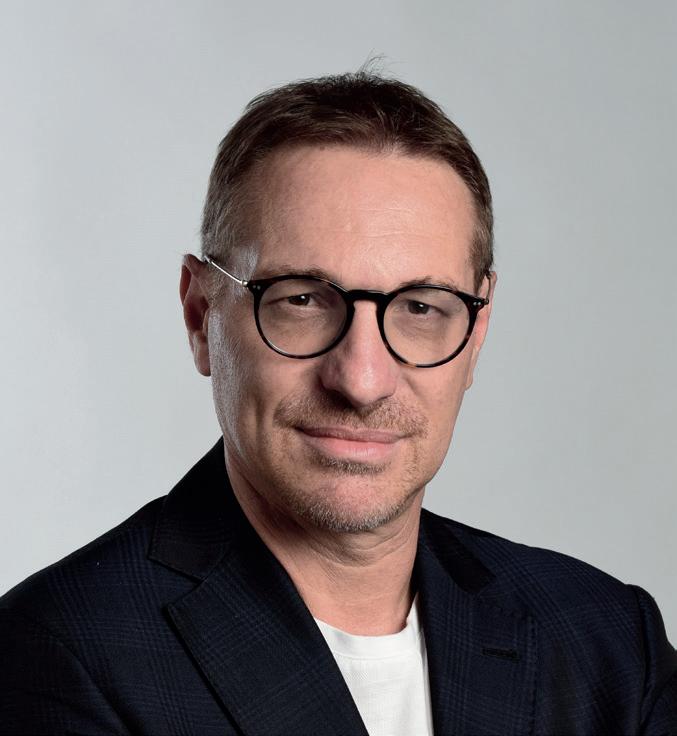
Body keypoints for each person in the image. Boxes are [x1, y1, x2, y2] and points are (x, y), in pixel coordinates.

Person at [1, 71, 675, 736]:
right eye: (301, 300)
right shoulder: (55, 656)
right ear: (201, 314)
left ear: (476, 335)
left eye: (420, 308)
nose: (361, 380)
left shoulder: (610, 644)